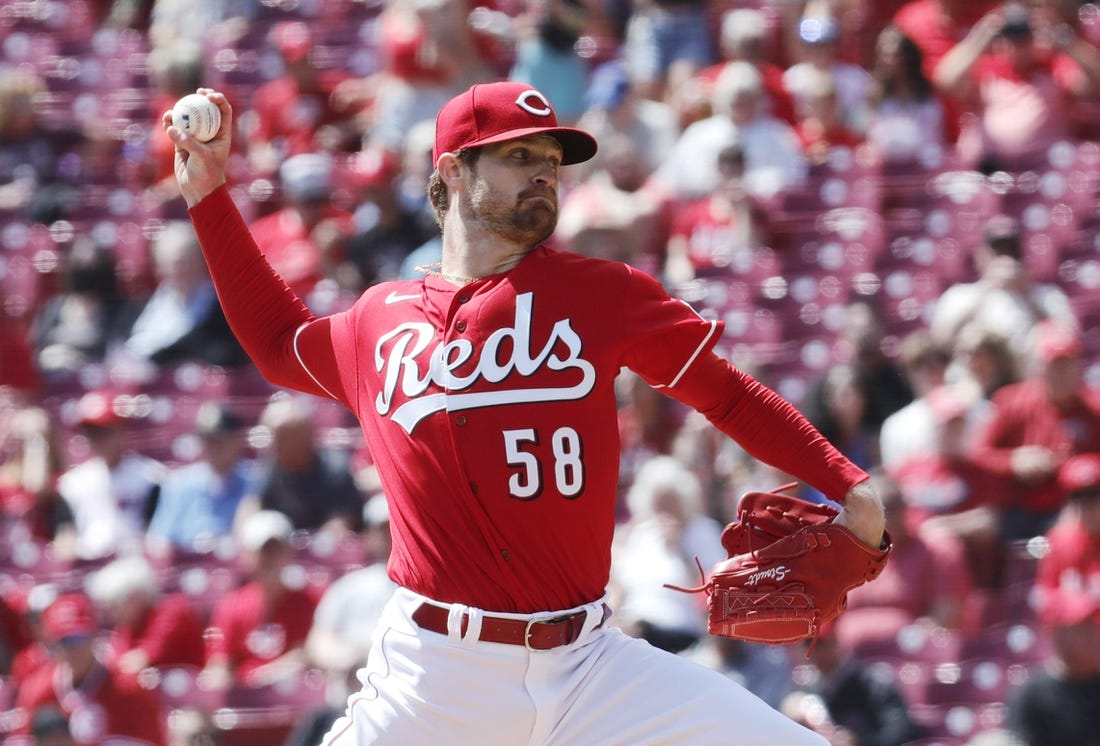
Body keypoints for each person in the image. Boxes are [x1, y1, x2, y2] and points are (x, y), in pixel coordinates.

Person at [164, 81, 886, 745]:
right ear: (451, 171)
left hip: (592, 669)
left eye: (551, 158)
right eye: (518, 156)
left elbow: (726, 394)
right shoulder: (377, 323)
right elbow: (278, 342)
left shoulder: (602, 294)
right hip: (435, 678)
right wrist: (210, 198)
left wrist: (845, 481)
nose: (545, 171)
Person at [970, 319, 1100, 540]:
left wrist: (1076, 469)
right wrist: (1015, 460)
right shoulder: (1011, 400)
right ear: (1037, 366)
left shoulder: (1093, 406)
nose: (1061, 372)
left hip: (1076, 506)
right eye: (1053, 364)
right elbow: (979, 453)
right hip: (1018, 506)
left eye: (1067, 363)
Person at [934, 1, 1100, 172]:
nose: (1017, 45)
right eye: (1009, 37)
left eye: (1024, 38)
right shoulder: (985, 70)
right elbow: (946, 80)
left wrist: (1063, 39)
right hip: (988, 170)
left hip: (1043, 171)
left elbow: (1094, 79)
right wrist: (981, 36)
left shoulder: (1054, 68)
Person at [13, 593, 165, 745]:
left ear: (95, 636)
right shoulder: (38, 690)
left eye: (79, 638)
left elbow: (154, 741)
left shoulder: (128, 687)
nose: (72, 648)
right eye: (63, 641)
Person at [200, 509, 323, 689]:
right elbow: (219, 665)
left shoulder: (311, 602)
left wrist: (267, 675)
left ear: (288, 553)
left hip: (293, 696)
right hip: (245, 699)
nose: (270, 559)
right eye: (263, 551)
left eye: (276, 549)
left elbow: (312, 654)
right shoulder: (232, 605)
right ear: (248, 556)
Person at [56, 389, 165, 560]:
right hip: (87, 563)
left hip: (135, 562)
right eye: (90, 433)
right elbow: (64, 537)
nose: (96, 439)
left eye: (103, 431)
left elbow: (157, 534)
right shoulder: (72, 482)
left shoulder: (151, 476)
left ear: (121, 430)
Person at [237, 395, 365, 535]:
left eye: (285, 437)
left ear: (307, 435)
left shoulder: (334, 468)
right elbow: (252, 507)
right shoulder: (271, 468)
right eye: (273, 437)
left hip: (325, 547)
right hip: (283, 545)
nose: (274, 444)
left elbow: (343, 521)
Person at [145, 400, 255, 554]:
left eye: (220, 440)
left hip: (240, 569)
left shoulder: (255, 483)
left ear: (237, 440)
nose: (214, 447)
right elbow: (158, 541)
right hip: (184, 569)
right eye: (208, 440)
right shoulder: (179, 484)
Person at [1005, 588, 1100, 745]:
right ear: (1057, 634)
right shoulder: (1031, 693)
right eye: (1082, 627)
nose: (1093, 634)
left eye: (1094, 626)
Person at [86, 555, 206, 675]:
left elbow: (140, 661)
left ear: (135, 597)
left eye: (114, 605)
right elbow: (115, 666)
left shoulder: (174, 610)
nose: (111, 614)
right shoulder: (127, 627)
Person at [1034, 453, 1100, 609]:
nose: (1087, 505)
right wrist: (1086, 602)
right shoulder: (1059, 541)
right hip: (1081, 629)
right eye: (1078, 497)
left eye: (1095, 495)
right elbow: (1042, 599)